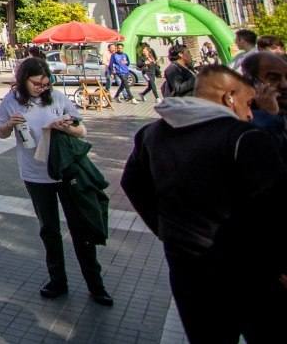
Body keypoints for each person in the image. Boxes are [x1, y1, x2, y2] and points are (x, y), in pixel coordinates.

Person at [122, 65, 286, 343]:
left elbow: (132, 183)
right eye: (247, 103)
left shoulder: (151, 134)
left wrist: (166, 229)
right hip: (250, 273)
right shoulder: (244, 137)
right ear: (228, 98)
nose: (249, 113)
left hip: (188, 270)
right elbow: (275, 208)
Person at [0, 55, 112, 305]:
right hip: (35, 175)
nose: (42, 88)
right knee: (49, 230)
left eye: (45, 83)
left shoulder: (58, 98)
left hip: (67, 172)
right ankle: (57, 280)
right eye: (36, 84)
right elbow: (0, 132)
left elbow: (82, 130)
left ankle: (95, 284)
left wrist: (68, 128)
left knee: (80, 228)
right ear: (23, 81)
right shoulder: (11, 102)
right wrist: (9, 125)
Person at [243, 50, 287, 158]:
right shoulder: (244, 120)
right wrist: (268, 116)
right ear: (253, 82)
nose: (284, 85)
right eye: (273, 79)